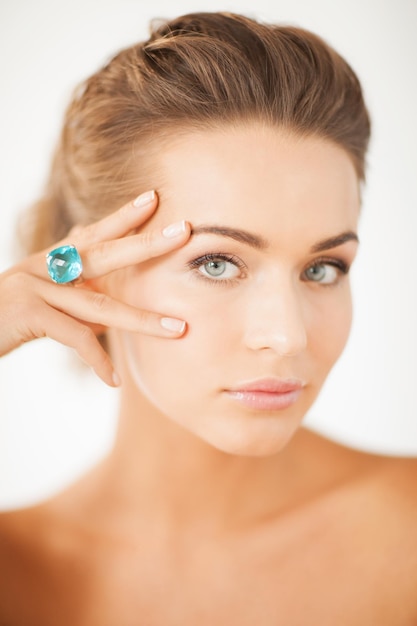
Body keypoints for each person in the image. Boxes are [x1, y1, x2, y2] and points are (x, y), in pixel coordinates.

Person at [0, 11, 416, 625]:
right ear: (92, 272)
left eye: (322, 268)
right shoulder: (18, 571)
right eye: (218, 264)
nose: (287, 336)